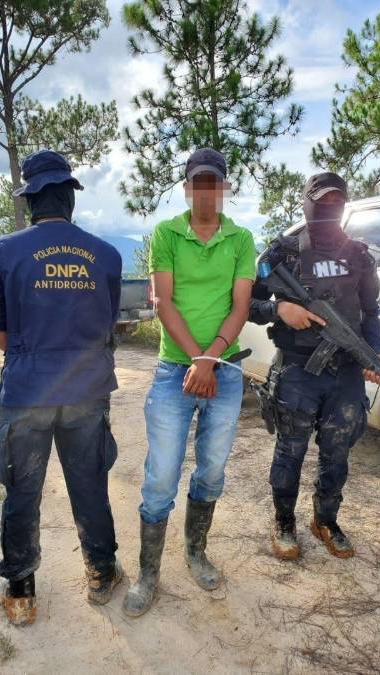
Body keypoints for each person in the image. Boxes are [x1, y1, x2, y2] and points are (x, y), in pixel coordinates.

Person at [0, 150, 123, 626]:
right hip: (87, 391)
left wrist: (33, 356)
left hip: (26, 393)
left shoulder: (5, 251)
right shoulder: (106, 255)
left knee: (23, 490)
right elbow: (107, 326)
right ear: (69, 198)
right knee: (89, 485)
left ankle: (21, 591)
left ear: (32, 200)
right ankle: (101, 573)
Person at [123, 148, 256, 617]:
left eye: (213, 182)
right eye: (197, 182)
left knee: (212, 470)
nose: (205, 191)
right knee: (160, 475)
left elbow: (241, 306)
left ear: (223, 188)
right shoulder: (166, 234)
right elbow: (162, 302)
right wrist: (194, 360)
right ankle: (148, 573)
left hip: (224, 371)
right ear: (186, 188)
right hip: (171, 373)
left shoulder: (241, 239)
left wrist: (210, 359)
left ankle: (196, 552)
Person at [248, 172, 380, 560]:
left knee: (338, 451)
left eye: (335, 202)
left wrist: (373, 351)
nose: (328, 209)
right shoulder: (282, 253)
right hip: (297, 371)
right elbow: (245, 304)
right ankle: (284, 522)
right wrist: (279, 308)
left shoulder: (359, 255)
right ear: (306, 203)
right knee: (289, 451)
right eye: (320, 202)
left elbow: (371, 311)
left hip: (344, 375)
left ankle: (325, 520)